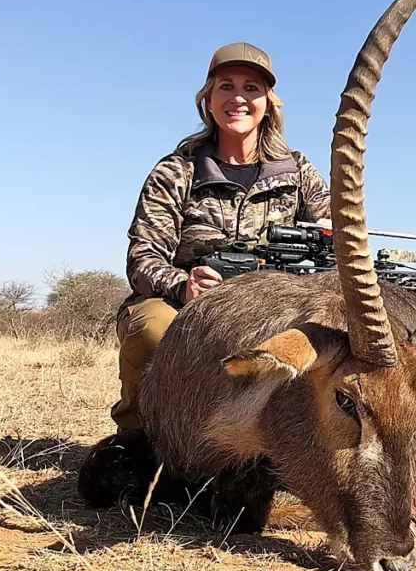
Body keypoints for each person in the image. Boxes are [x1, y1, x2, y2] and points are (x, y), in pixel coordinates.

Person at [110, 41, 331, 433]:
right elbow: (143, 258)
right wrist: (184, 286)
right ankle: (140, 439)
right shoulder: (176, 171)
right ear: (208, 100)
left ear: (268, 102)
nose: (238, 98)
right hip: (188, 307)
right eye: (226, 86)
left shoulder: (298, 171)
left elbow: (336, 233)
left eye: (251, 88)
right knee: (152, 326)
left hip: (276, 308)